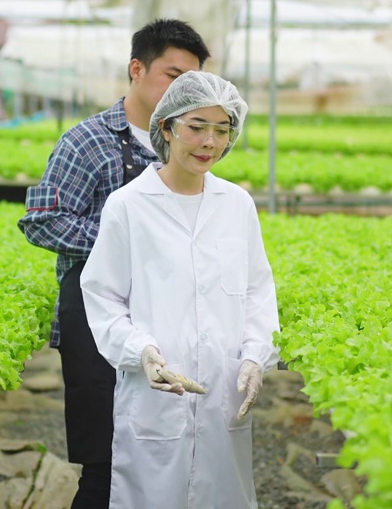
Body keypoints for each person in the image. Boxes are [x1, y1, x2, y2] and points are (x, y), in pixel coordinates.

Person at [18, 19, 211, 509]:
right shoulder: (88, 141)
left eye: (192, 80)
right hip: (97, 325)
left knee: (170, 457)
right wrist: (127, 245)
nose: (182, 89)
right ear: (136, 68)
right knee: (106, 468)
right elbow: (43, 221)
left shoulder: (188, 144)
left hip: (170, 319)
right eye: (172, 75)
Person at [80, 71, 280, 509]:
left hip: (220, 396)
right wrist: (141, 352)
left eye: (222, 130)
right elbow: (103, 297)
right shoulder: (129, 206)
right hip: (154, 400)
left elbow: (257, 293)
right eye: (196, 127)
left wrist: (253, 356)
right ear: (167, 128)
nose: (209, 142)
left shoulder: (237, 205)